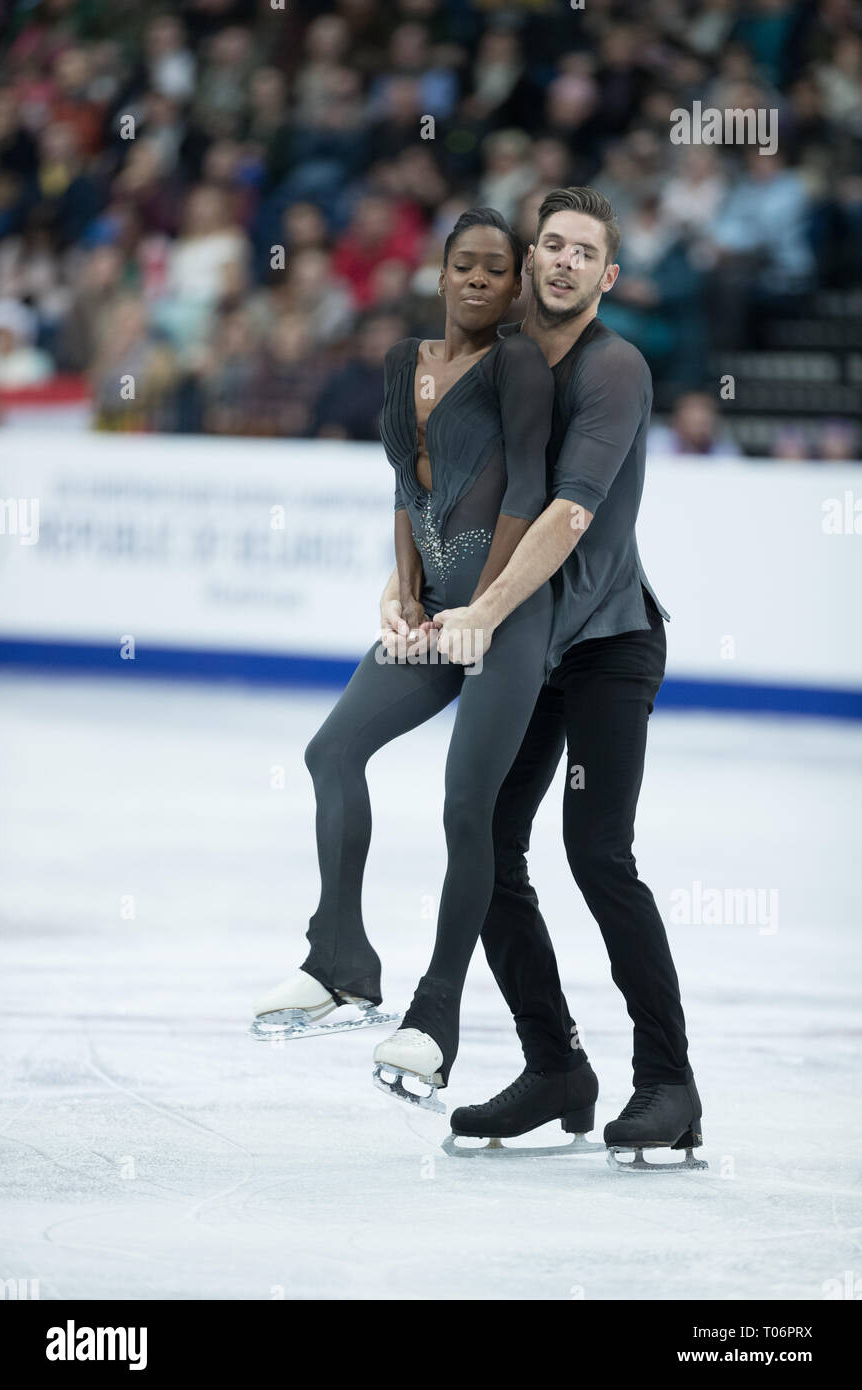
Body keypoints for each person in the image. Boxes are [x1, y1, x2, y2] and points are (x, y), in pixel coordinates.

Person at [383, 187, 703, 1165]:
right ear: (529, 266)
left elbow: (564, 513)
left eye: (582, 251)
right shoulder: (503, 355)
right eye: (548, 245)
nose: (561, 261)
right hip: (531, 642)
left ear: (606, 277)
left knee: (597, 850)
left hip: (603, 645)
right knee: (488, 841)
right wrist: (402, 589)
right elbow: (428, 477)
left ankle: (668, 1084)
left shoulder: (613, 370)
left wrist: (479, 610)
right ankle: (555, 1064)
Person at [252, 209, 557, 1093]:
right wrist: (406, 593)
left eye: (496, 270)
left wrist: (485, 608)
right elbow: (402, 488)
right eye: (464, 265)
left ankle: (437, 1016)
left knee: (468, 811)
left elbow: (529, 491)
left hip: (509, 618)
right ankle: (339, 961)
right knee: (332, 750)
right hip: (431, 617)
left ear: (513, 288)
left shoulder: (520, 365)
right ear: (440, 274)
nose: (476, 280)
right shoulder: (401, 363)